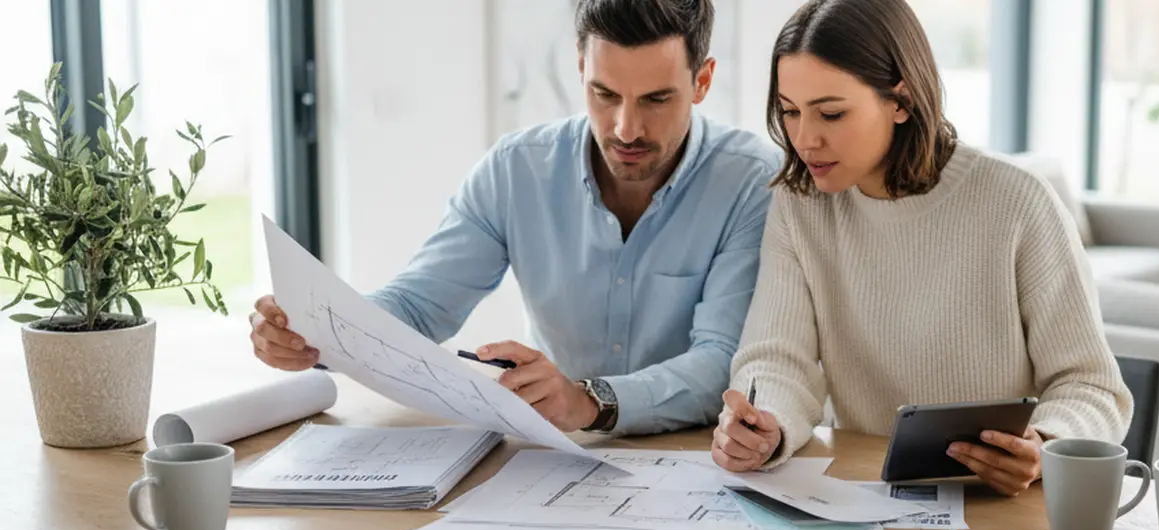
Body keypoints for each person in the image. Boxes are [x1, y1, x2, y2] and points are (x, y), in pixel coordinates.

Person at [248, 0, 783, 437]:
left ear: (703, 81)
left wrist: (590, 401)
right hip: (555, 455)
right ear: (580, 66)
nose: (625, 128)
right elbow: (418, 305)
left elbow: (722, 362)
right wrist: (316, 331)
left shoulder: (750, 182)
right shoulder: (516, 171)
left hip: (697, 459)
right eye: (604, 94)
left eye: (656, 99)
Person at [709, 0, 1133, 496]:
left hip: (999, 503)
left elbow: (1092, 387)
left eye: (830, 113)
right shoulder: (800, 205)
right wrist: (765, 425)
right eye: (789, 111)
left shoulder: (1017, 202)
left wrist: (1046, 445)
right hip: (867, 495)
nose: (805, 139)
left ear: (901, 100)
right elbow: (779, 358)